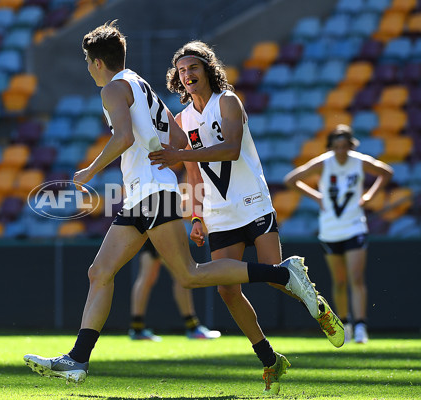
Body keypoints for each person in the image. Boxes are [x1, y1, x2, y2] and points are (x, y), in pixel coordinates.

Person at [23, 21, 329, 395]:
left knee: (188, 274)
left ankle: (283, 276)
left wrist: (91, 169)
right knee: (99, 271)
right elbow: (180, 138)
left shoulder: (114, 88)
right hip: (142, 192)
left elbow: (122, 136)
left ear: (98, 62)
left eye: (88, 62)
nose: (88, 69)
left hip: (150, 192)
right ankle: (78, 360)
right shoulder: (139, 82)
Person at [146, 40, 345, 392]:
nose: (187, 74)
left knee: (271, 277)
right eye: (181, 70)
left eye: (193, 67)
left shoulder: (228, 101)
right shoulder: (183, 119)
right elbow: (192, 176)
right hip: (218, 212)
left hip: (252, 201)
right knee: (226, 289)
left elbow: (232, 148)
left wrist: (180, 154)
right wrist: (195, 216)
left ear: (207, 69)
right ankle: (268, 358)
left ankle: (318, 307)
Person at [284, 124, 393, 344]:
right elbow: (291, 179)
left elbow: (386, 172)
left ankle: (361, 325)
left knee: (356, 277)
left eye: (345, 146)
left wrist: (370, 196)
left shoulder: (359, 160)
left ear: (351, 145)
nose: (341, 151)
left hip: (354, 226)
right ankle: (346, 323)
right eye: (337, 147)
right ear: (331, 147)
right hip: (331, 230)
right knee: (340, 281)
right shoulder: (324, 163)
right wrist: (317, 197)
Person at [129, 239, 221, 341]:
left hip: (153, 234)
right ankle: (193, 327)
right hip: (164, 235)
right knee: (182, 277)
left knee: (147, 278)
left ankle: (137, 328)